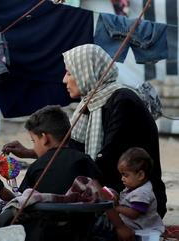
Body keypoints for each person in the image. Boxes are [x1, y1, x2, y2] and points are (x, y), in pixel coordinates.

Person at [61, 44, 166, 220]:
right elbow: (72, 150)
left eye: (69, 73)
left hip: (137, 204)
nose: (64, 80)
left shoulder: (123, 101)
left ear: (87, 72)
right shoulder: (90, 104)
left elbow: (108, 159)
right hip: (111, 194)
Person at [3, 105, 102, 195]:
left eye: (33, 141)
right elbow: (100, 195)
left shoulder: (36, 167)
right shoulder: (84, 159)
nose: (34, 146)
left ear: (44, 138)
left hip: (46, 214)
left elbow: (22, 199)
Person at [113, 147, 164, 234]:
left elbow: (134, 213)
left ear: (140, 175)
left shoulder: (142, 192)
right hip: (135, 229)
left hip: (144, 232)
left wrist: (116, 208)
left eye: (125, 175)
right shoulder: (133, 187)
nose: (122, 179)